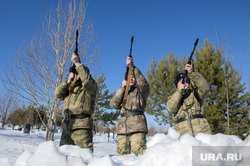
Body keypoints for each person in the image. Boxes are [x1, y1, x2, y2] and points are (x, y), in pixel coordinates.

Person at [55, 52, 97, 152]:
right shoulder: (70, 89)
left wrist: (78, 64)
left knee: (83, 157)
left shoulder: (90, 88)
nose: (76, 75)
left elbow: (87, 81)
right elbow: (57, 93)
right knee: (63, 156)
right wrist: (68, 81)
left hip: (82, 127)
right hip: (67, 126)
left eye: (78, 73)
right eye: (75, 73)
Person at [110, 56, 150, 156]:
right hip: (122, 129)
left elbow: (144, 85)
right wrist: (122, 88)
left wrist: (133, 68)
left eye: (133, 77)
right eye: (129, 77)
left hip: (137, 128)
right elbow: (114, 104)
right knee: (122, 157)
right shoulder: (122, 91)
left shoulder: (141, 92)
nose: (131, 78)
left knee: (139, 153)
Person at [167, 60, 212, 137]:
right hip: (184, 134)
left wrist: (192, 73)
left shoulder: (195, 94)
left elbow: (205, 88)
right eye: (181, 82)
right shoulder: (173, 97)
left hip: (203, 131)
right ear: (176, 85)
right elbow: (171, 108)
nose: (184, 83)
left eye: (186, 81)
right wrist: (179, 91)